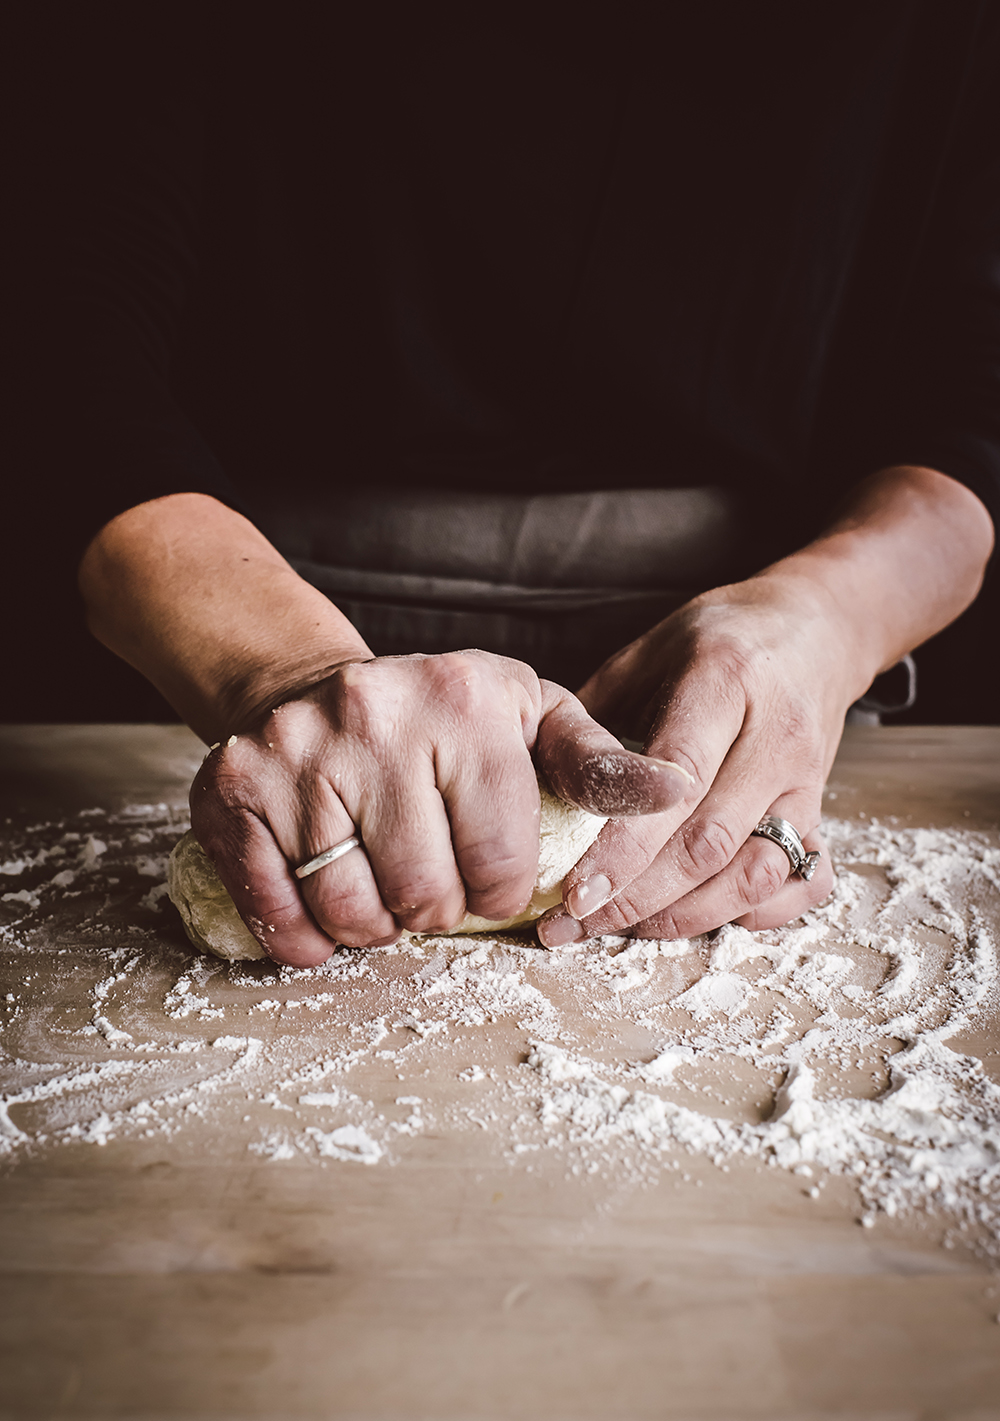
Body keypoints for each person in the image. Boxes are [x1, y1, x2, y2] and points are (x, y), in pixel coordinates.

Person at [28, 5, 998, 965]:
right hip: (207, 609)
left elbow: (972, 408)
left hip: (746, 654)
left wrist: (825, 623)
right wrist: (283, 673)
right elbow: (62, 335)